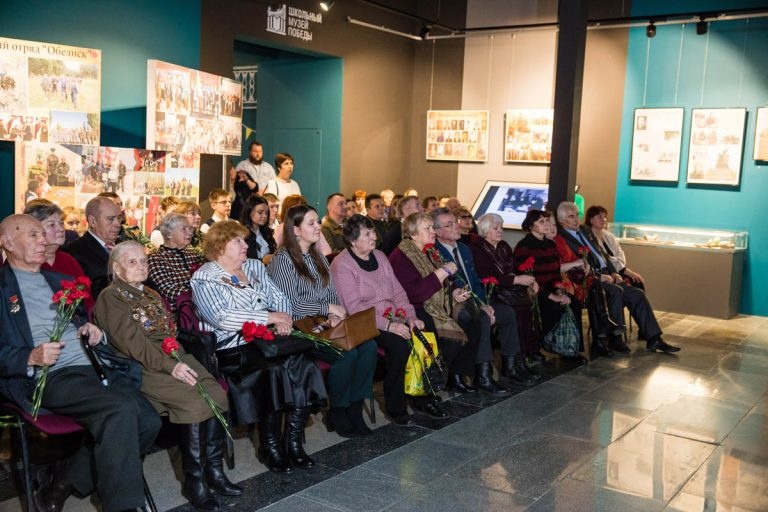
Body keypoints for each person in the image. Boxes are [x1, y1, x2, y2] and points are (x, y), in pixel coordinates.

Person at [0, 214, 161, 512]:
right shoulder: (3, 288)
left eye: (42, 234)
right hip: (49, 375)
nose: (44, 240)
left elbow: (81, 321)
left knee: (148, 421)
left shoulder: (59, 280)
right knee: (121, 410)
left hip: (93, 366)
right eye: (33, 235)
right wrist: (30, 356)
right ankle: (122, 507)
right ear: (7, 242)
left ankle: (63, 484)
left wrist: (91, 329)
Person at [95, 241, 237, 511]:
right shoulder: (111, 297)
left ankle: (214, 473)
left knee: (217, 394)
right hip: (144, 366)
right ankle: (194, 482)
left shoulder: (148, 293)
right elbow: (132, 345)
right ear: (116, 268)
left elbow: (169, 331)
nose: (141, 266)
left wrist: (178, 360)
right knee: (195, 402)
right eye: (132, 262)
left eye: (143, 261)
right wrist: (169, 366)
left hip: (175, 356)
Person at [191, 221, 327, 473]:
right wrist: (267, 318)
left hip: (266, 341)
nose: (246, 246)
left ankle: (293, 442)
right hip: (232, 348)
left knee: (303, 363)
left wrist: (284, 318)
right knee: (273, 370)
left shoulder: (253, 267)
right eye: (238, 242)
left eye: (245, 240)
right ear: (220, 246)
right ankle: (270, 445)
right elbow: (220, 317)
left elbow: (280, 299)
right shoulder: (206, 276)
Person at [268, 205, 377, 437]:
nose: (318, 227)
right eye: (311, 223)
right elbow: (290, 306)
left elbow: (332, 294)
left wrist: (334, 313)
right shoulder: (283, 260)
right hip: (298, 327)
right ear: (296, 230)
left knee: (368, 346)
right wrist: (326, 308)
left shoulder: (317, 256)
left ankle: (355, 408)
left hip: (323, 322)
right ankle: (337, 410)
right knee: (346, 354)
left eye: (318, 222)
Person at [330, 215, 425, 426]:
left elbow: (398, 292)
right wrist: (390, 325)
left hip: (393, 316)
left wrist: (410, 317)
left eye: (373, 231)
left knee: (420, 332)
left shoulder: (380, 256)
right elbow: (354, 308)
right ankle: (396, 405)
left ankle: (422, 397)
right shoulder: (342, 265)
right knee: (400, 345)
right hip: (363, 322)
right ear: (353, 241)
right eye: (368, 234)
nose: (374, 236)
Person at [387, 213, 487, 400]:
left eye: (432, 227)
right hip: (412, 307)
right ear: (413, 234)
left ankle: (454, 376)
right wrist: (442, 272)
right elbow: (414, 293)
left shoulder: (429, 250)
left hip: (434, 303)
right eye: (428, 228)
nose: (433, 231)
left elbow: (448, 281)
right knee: (441, 333)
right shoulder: (402, 255)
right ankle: (426, 388)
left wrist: (455, 292)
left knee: (474, 318)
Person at [555, 202, 678, 353]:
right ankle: (615, 337)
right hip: (591, 280)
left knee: (637, 294)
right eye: (571, 217)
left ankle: (654, 339)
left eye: (577, 215)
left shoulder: (585, 230)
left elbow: (603, 253)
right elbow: (576, 266)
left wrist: (614, 272)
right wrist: (599, 276)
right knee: (616, 291)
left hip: (607, 273)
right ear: (561, 220)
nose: (576, 220)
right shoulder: (561, 238)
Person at [431, 208, 535, 386]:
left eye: (454, 222)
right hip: (455, 304)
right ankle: (483, 375)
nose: (456, 226)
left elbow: (476, 281)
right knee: (483, 318)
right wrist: (481, 307)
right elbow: (447, 285)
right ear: (438, 232)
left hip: (476, 300)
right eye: (450, 225)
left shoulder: (463, 248)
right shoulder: (435, 251)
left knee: (507, 312)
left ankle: (510, 366)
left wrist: (485, 304)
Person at [471, 213, 544, 370]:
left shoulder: (503, 246)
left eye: (501, 227)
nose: (500, 231)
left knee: (529, 309)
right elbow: (487, 276)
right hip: (491, 293)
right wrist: (516, 280)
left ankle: (521, 357)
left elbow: (516, 268)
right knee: (514, 312)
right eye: (495, 228)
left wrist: (531, 280)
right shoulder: (477, 248)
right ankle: (514, 363)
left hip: (508, 291)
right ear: (484, 230)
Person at [513, 210, 585, 360]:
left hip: (551, 288)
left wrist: (559, 291)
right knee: (552, 307)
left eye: (547, 221)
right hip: (533, 291)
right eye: (541, 222)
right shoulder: (524, 246)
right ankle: (539, 345)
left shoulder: (550, 245)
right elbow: (528, 279)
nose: (546, 224)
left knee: (574, 303)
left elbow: (555, 274)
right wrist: (551, 296)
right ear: (530, 226)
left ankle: (572, 348)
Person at [23, 200, 95, 313]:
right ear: (35, 231)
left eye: (61, 223)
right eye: (52, 225)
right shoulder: (23, 261)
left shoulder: (69, 260)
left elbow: (88, 301)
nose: (61, 229)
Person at [61, 196, 122, 299]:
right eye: (110, 219)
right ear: (92, 221)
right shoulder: (74, 252)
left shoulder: (124, 247)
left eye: (119, 218)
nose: (117, 224)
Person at [147, 213, 207, 313]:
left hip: (202, 309)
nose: (190, 233)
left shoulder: (195, 255)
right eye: (184, 229)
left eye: (190, 229)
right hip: (178, 315)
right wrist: (203, 295)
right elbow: (167, 290)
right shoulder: (156, 259)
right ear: (169, 234)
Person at [583, 205, 644, 287]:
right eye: (599, 217)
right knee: (632, 286)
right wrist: (626, 271)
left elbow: (620, 254)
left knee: (638, 282)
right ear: (590, 220)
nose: (603, 220)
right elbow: (605, 258)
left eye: (605, 217)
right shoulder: (588, 237)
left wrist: (622, 268)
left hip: (620, 269)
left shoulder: (609, 235)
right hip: (606, 272)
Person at [239, 195, 277, 262]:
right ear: (249, 211)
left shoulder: (268, 232)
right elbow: (241, 260)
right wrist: (263, 260)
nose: (264, 216)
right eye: (260, 212)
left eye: (266, 213)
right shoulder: (240, 234)